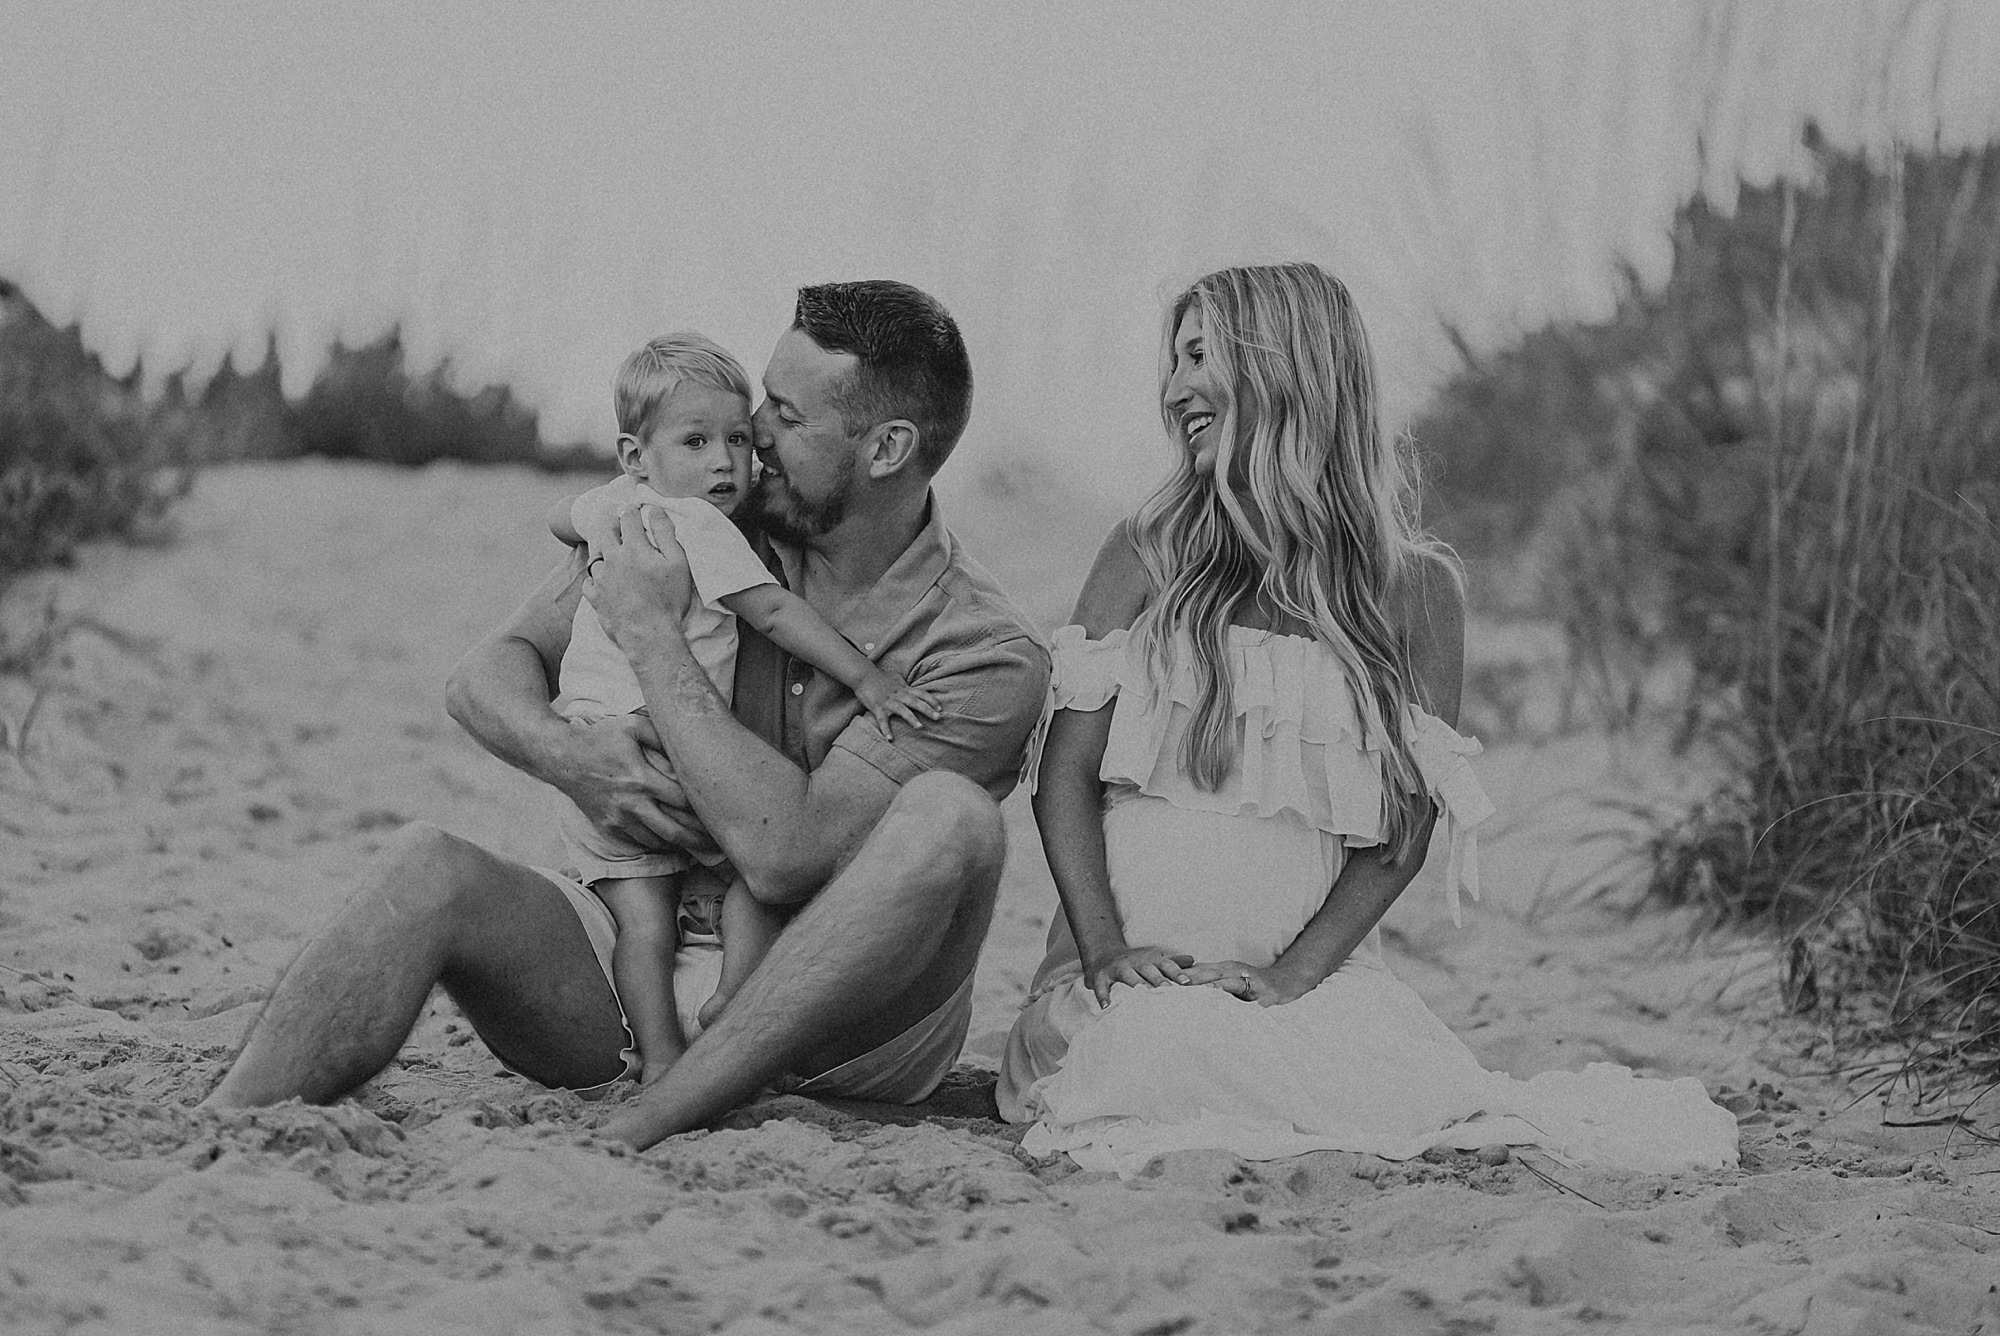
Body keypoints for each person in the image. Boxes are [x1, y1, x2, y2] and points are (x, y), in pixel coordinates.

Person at [204, 280, 1050, 1151]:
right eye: (763, 402)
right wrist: (573, 759)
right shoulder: (703, 510)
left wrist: (653, 636)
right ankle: (222, 1126)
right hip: (641, 970)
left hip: (843, 1034)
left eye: (789, 418)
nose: (754, 433)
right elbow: (485, 677)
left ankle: (665, 1110)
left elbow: (785, 857)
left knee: (953, 819)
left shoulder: (987, 651)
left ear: (887, 449)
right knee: (426, 867)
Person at [996, 262, 1737, 1175]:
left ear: (1286, 369)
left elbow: (1402, 828)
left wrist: (1292, 979)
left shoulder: (1416, 590)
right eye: (1175, 360)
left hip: (1312, 983)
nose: (1176, 386)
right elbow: (1063, 776)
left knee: (1390, 1087)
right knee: (1160, 1058)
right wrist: (1106, 952)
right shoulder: (1149, 549)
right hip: (1122, 986)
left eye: (1201, 356)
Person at [543, 331, 943, 1084]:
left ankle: (660, 1055)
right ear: (638, 453)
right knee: (756, 878)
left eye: (737, 438)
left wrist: (592, 525)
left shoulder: (621, 503)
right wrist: (866, 679)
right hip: (662, 739)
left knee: (644, 920)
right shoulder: (701, 526)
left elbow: (560, 518)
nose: (726, 462)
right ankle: (732, 1001)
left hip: (597, 738)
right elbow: (777, 614)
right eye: (695, 442)